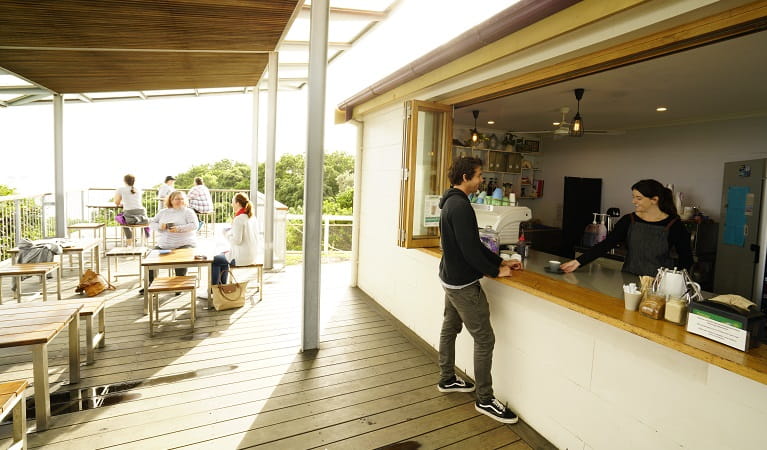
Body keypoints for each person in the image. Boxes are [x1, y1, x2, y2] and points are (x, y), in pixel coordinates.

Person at [437, 156, 522, 424]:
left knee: (450, 328)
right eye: (478, 176)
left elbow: (473, 244)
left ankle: (447, 379)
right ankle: (485, 399)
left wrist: (499, 261)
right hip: (462, 284)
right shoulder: (460, 206)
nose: (481, 180)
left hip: (450, 278)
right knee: (485, 340)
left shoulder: (451, 201)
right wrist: (496, 271)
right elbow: (471, 250)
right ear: (465, 178)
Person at [560, 179, 693, 276]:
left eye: (638, 198)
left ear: (654, 200)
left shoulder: (674, 225)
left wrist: (670, 281)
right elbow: (606, 244)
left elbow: (687, 260)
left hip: (659, 285)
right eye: (633, 197)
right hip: (630, 280)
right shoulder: (629, 220)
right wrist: (578, 262)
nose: (633, 201)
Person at [140, 191, 198, 295]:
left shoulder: (188, 212)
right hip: (165, 245)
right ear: (171, 200)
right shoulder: (163, 212)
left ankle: (178, 285)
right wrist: (159, 226)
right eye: (176, 199)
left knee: (181, 257)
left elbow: (194, 225)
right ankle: (151, 283)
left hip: (184, 243)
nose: (179, 201)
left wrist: (178, 229)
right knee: (150, 258)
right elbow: (152, 223)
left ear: (185, 201)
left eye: (181, 199)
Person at [210, 192, 260, 288]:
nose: (231, 204)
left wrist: (226, 234)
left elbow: (237, 241)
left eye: (232, 201)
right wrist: (232, 231)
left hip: (242, 257)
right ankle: (222, 287)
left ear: (237, 203)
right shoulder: (252, 217)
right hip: (252, 255)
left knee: (215, 260)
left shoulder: (239, 218)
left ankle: (214, 289)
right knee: (222, 259)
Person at [114, 174, 148, 240]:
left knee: (121, 220)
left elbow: (116, 202)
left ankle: (130, 239)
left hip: (130, 214)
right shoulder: (138, 189)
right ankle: (144, 236)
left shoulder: (121, 189)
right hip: (142, 214)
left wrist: (123, 204)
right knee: (129, 220)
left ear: (124, 181)